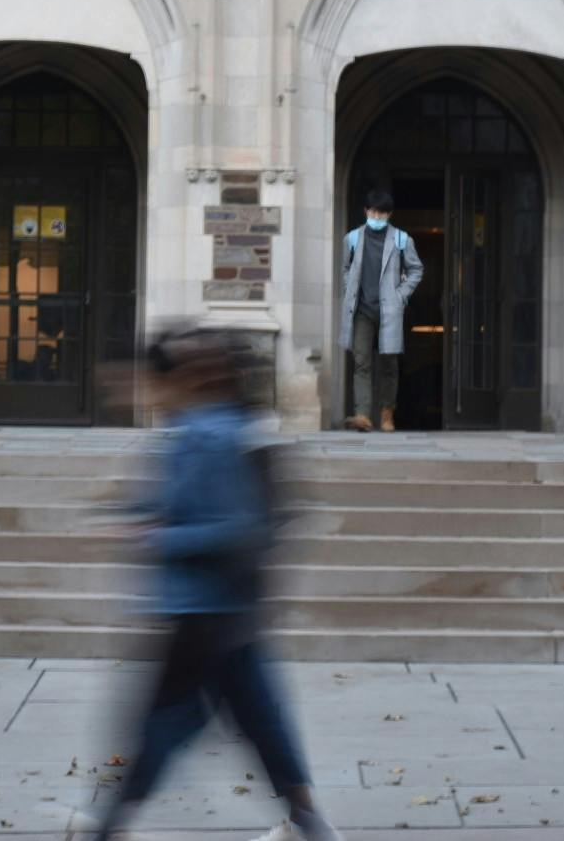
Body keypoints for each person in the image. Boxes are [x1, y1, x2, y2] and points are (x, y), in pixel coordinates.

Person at [91, 324, 338, 841]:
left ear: (185, 380)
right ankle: (309, 821)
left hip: (202, 610)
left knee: (161, 723)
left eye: (150, 381)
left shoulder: (206, 437)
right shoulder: (214, 430)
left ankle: (108, 826)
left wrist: (157, 536)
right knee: (258, 719)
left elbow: (236, 527)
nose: (143, 392)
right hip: (227, 609)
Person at [338, 189, 423, 433]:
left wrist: (400, 295)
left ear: (389, 214)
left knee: (389, 364)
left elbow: (416, 269)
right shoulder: (352, 238)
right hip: (362, 309)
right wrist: (350, 288)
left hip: (389, 310)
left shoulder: (402, 240)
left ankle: (387, 415)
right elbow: (345, 268)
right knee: (361, 362)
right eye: (373, 212)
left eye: (382, 213)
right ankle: (363, 414)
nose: (377, 217)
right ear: (366, 211)